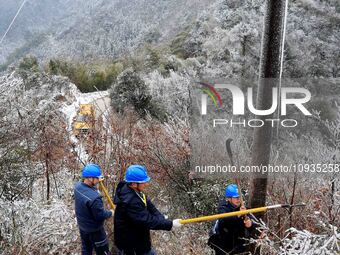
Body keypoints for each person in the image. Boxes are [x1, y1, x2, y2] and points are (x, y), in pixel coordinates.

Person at [114, 165, 182, 255]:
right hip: (132, 246)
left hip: (138, 238)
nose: (146, 184)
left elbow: (149, 205)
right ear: (134, 184)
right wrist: (170, 224)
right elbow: (146, 221)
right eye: (143, 182)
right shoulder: (130, 201)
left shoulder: (133, 190)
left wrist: (160, 218)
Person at [74, 163, 114, 255]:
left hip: (83, 226)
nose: (99, 180)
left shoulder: (77, 187)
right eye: (97, 178)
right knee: (103, 251)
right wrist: (111, 213)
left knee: (86, 249)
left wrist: (95, 183)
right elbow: (100, 215)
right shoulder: (95, 198)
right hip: (95, 231)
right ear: (90, 178)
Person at [208, 184, 258, 255]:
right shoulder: (223, 208)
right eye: (236, 197)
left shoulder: (243, 209)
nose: (238, 199)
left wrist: (250, 225)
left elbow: (254, 224)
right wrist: (238, 214)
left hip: (239, 246)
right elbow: (224, 220)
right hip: (222, 245)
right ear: (229, 198)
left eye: (239, 197)